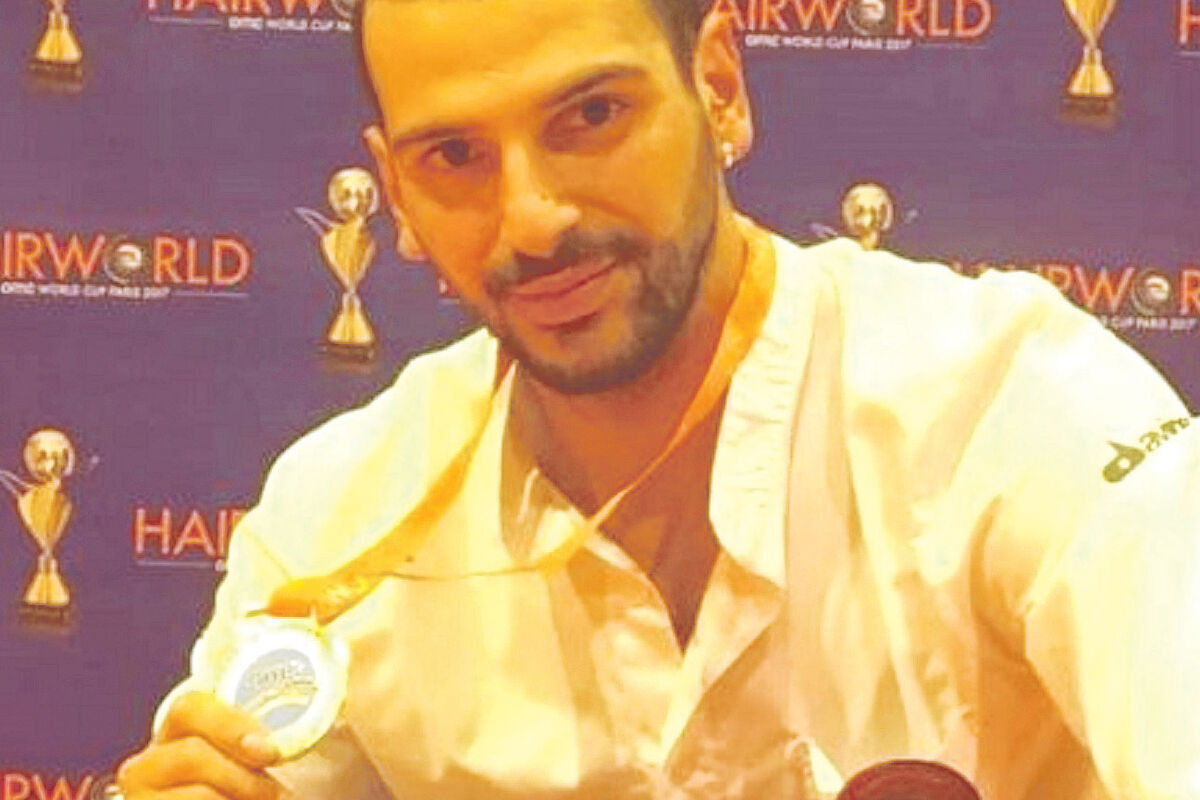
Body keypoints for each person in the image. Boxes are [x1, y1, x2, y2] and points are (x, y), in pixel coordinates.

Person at [114, 0, 1200, 798]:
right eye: (453, 155)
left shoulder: (1011, 405)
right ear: (394, 190)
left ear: (718, 86)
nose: (531, 217)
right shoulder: (332, 519)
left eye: (591, 114)